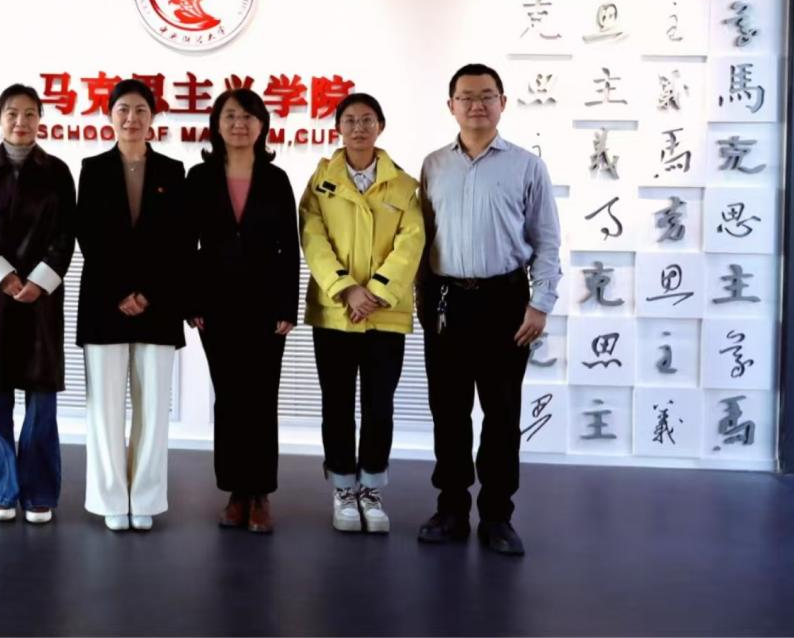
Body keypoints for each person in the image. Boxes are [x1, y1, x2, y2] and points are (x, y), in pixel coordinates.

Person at [416, 63, 561, 556]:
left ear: (503, 102)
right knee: (448, 411)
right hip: (446, 301)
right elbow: (420, 238)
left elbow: (547, 241)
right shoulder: (433, 165)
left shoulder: (526, 166)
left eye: (486, 96)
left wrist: (540, 304)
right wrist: (422, 302)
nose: (476, 105)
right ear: (451, 105)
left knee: (501, 412)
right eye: (466, 96)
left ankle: (497, 514)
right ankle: (451, 508)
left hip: (506, 301)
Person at [299, 93, 424, 534]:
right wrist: (346, 289)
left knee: (379, 405)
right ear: (338, 128)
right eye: (350, 120)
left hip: (384, 314)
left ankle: (371, 489)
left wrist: (376, 292)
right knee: (336, 405)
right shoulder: (321, 181)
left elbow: (411, 242)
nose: (358, 128)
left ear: (380, 126)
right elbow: (312, 238)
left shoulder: (404, 185)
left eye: (367, 120)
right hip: (336, 312)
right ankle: (342, 489)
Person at [0, 83, 77, 524]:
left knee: (41, 399)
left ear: (41, 119)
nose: (21, 121)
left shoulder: (57, 172)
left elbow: (66, 233)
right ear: (0, 118)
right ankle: (2, 490)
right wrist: (3, 276)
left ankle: (40, 491)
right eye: (12, 113)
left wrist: (39, 281)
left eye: (29, 113)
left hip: (40, 300)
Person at [184, 89, 299, 533]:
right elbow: (187, 244)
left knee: (261, 397)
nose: (239, 124)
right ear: (217, 124)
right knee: (229, 398)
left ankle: (261, 494)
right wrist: (192, 301)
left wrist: (288, 305)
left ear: (261, 125)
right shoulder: (199, 177)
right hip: (215, 305)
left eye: (248, 116)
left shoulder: (277, 178)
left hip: (266, 305)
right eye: (230, 116)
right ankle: (235, 492)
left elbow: (289, 246)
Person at [76, 79, 187, 532]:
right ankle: (109, 498)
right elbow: (89, 236)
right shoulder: (92, 168)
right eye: (123, 109)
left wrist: (147, 293)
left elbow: (179, 240)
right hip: (104, 302)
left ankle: (145, 498)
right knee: (104, 409)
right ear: (110, 115)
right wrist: (121, 292)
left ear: (152, 117)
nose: (131, 118)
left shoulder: (173, 171)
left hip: (158, 304)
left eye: (140, 109)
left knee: (153, 409)